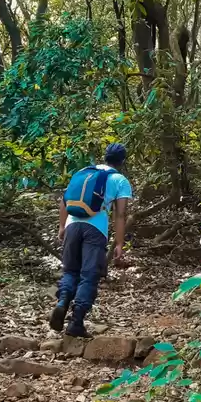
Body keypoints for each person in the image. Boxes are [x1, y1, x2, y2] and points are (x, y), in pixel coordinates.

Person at [52, 143, 132, 337]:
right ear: (122, 161)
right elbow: (120, 215)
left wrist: (62, 227)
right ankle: (76, 322)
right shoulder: (119, 180)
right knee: (89, 275)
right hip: (95, 229)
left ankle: (62, 300)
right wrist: (119, 243)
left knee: (71, 270)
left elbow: (64, 201)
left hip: (72, 224)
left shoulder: (84, 172)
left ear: (105, 157)